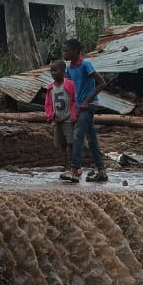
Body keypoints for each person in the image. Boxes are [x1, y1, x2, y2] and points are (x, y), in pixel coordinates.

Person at [62, 38, 108, 183]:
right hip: (79, 106)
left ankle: (75, 169)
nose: (64, 53)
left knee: (78, 135)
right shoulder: (69, 69)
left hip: (89, 105)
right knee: (92, 139)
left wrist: (87, 101)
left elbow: (101, 83)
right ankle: (101, 171)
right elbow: (70, 89)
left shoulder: (86, 65)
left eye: (66, 50)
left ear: (75, 52)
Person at [44, 60, 78, 176]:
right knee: (62, 144)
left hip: (68, 119)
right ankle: (67, 165)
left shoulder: (69, 84)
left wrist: (74, 115)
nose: (53, 73)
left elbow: (74, 100)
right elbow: (48, 103)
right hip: (57, 119)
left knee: (71, 143)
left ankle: (74, 166)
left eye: (55, 70)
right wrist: (50, 115)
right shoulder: (50, 88)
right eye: (51, 71)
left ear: (63, 72)